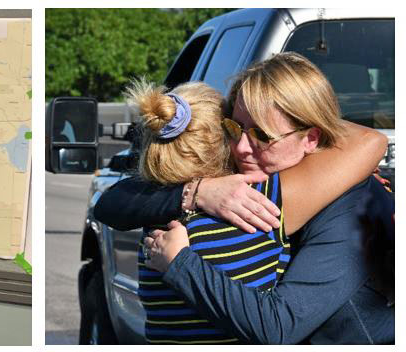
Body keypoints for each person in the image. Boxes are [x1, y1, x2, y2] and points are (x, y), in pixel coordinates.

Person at [96, 53, 394, 344]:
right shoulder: (226, 186)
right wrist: (195, 192)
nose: (241, 149)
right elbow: (112, 202)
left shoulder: (351, 201)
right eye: (235, 128)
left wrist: (180, 263)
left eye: (263, 136)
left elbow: (280, 325)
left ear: (311, 138)